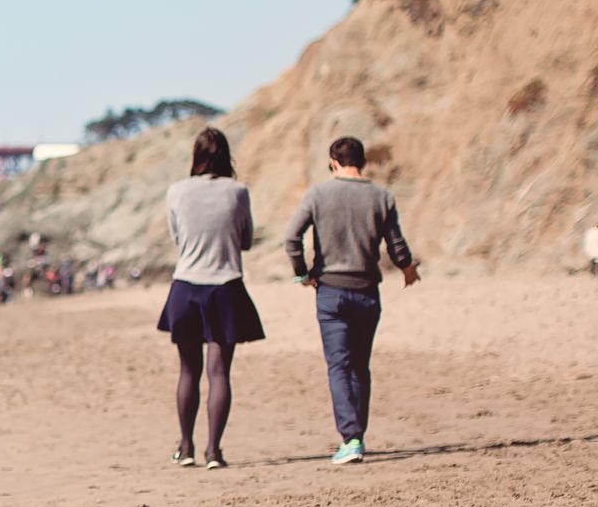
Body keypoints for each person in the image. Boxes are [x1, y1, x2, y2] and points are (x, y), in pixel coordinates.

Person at [283, 136, 420, 466]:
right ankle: (357, 434)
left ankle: (351, 438)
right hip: (366, 291)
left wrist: (303, 273)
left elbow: (291, 238)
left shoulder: (318, 194)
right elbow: (396, 244)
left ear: (333, 162)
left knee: (339, 365)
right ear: (364, 162)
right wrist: (408, 270)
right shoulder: (381, 196)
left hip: (330, 290)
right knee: (360, 366)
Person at [158, 127, 261, 471]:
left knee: (188, 370)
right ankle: (213, 451)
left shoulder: (176, 192)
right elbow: (246, 240)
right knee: (220, 373)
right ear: (225, 156)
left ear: (196, 156)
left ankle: (185, 446)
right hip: (225, 285)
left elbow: (177, 237)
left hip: (186, 286)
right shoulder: (238, 192)